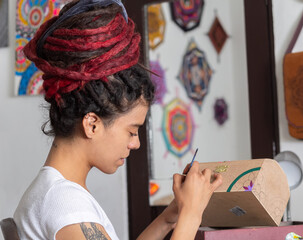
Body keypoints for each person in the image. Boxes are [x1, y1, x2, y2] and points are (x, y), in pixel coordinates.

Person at [13, 0, 223, 239]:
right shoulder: (66, 205)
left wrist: (170, 217)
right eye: (132, 131)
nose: (136, 144)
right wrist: (191, 215)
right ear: (92, 124)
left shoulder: (59, 194)